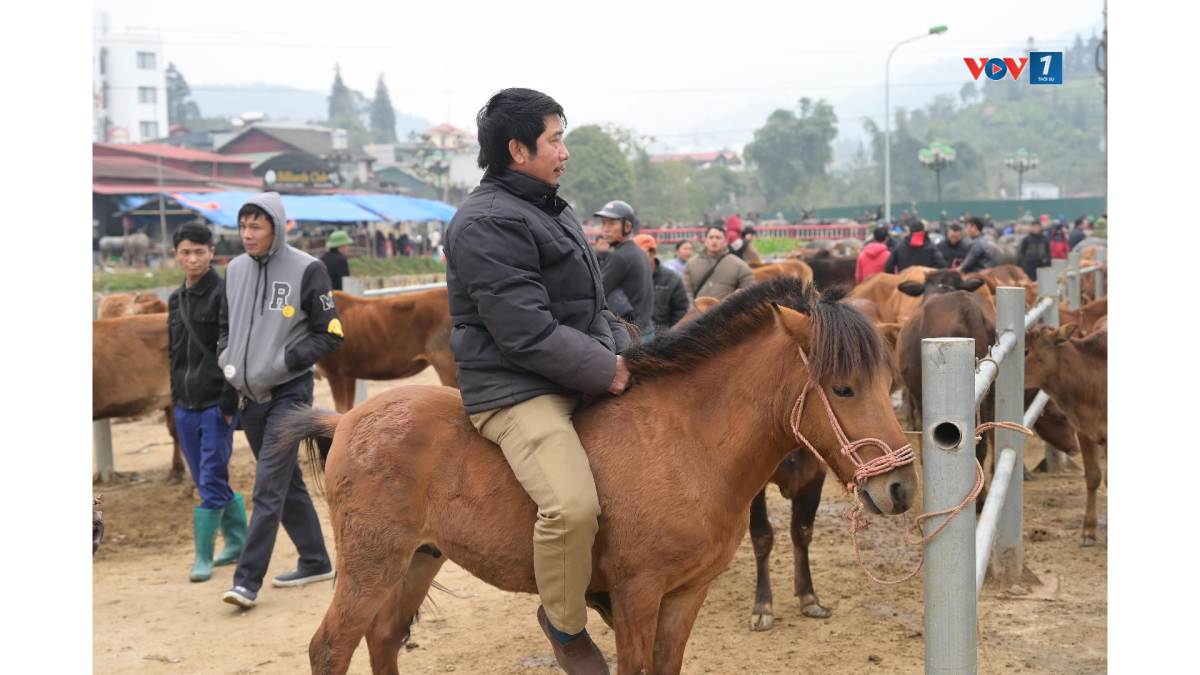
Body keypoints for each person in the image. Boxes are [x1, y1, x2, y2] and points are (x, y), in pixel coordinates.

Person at [445, 88, 629, 674]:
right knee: (572, 508)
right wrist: (606, 367)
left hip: (569, 370)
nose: (566, 152)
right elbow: (524, 332)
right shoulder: (486, 221)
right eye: (556, 139)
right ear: (517, 149)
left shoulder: (549, 205)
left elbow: (588, 303)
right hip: (516, 388)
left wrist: (628, 350)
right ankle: (564, 623)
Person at [218, 193, 344, 610]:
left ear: (277, 226)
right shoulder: (233, 270)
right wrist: (227, 360)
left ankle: (246, 582)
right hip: (248, 397)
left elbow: (330, 332)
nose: (247, 235)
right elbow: (225, 326)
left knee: (267, 487)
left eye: (256, 226)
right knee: (284, 483)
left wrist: (284, 360)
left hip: (289, 394)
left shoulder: (308, 269)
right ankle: (315, 560)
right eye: (243, 227)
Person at [168, 224, 245, 583]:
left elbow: (233, 351)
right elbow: (174, 355)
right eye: (185, 252)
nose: (192, 259)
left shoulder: (223, 293)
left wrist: (228, 403)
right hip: (184, 405)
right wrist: (174, 398)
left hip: (216, 404)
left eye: (199, 251)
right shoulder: (175, 300)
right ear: (176, 255)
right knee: (205, 478)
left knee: (211, 478)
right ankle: (238, 540)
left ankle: (203, 556)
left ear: (212, 252)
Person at [595, 199, 655, 338]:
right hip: (645, 330)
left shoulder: (620, 257)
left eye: (612, 223)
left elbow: (598, 294)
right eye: (603, 222)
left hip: (631, 336)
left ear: (627, 227)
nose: (605, 228)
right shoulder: (637, 251)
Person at [682, 225, 755, 302]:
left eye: (718, 238)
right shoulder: (691, 264)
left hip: (726, 313)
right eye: (711, 237)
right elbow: (685, 292)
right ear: (706, 240)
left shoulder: (740, 265)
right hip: (696, 312)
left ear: (725, 242)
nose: (714, 240)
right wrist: (692, 310)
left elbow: (748, 294)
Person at [634, 234, 688, 333]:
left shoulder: (671, 279)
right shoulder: (628, 278)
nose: (636, 258)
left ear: (653, 253)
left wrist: (670, 335)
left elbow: (681, 311)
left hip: (663, 337)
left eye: (641, 254)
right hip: (634, 336)